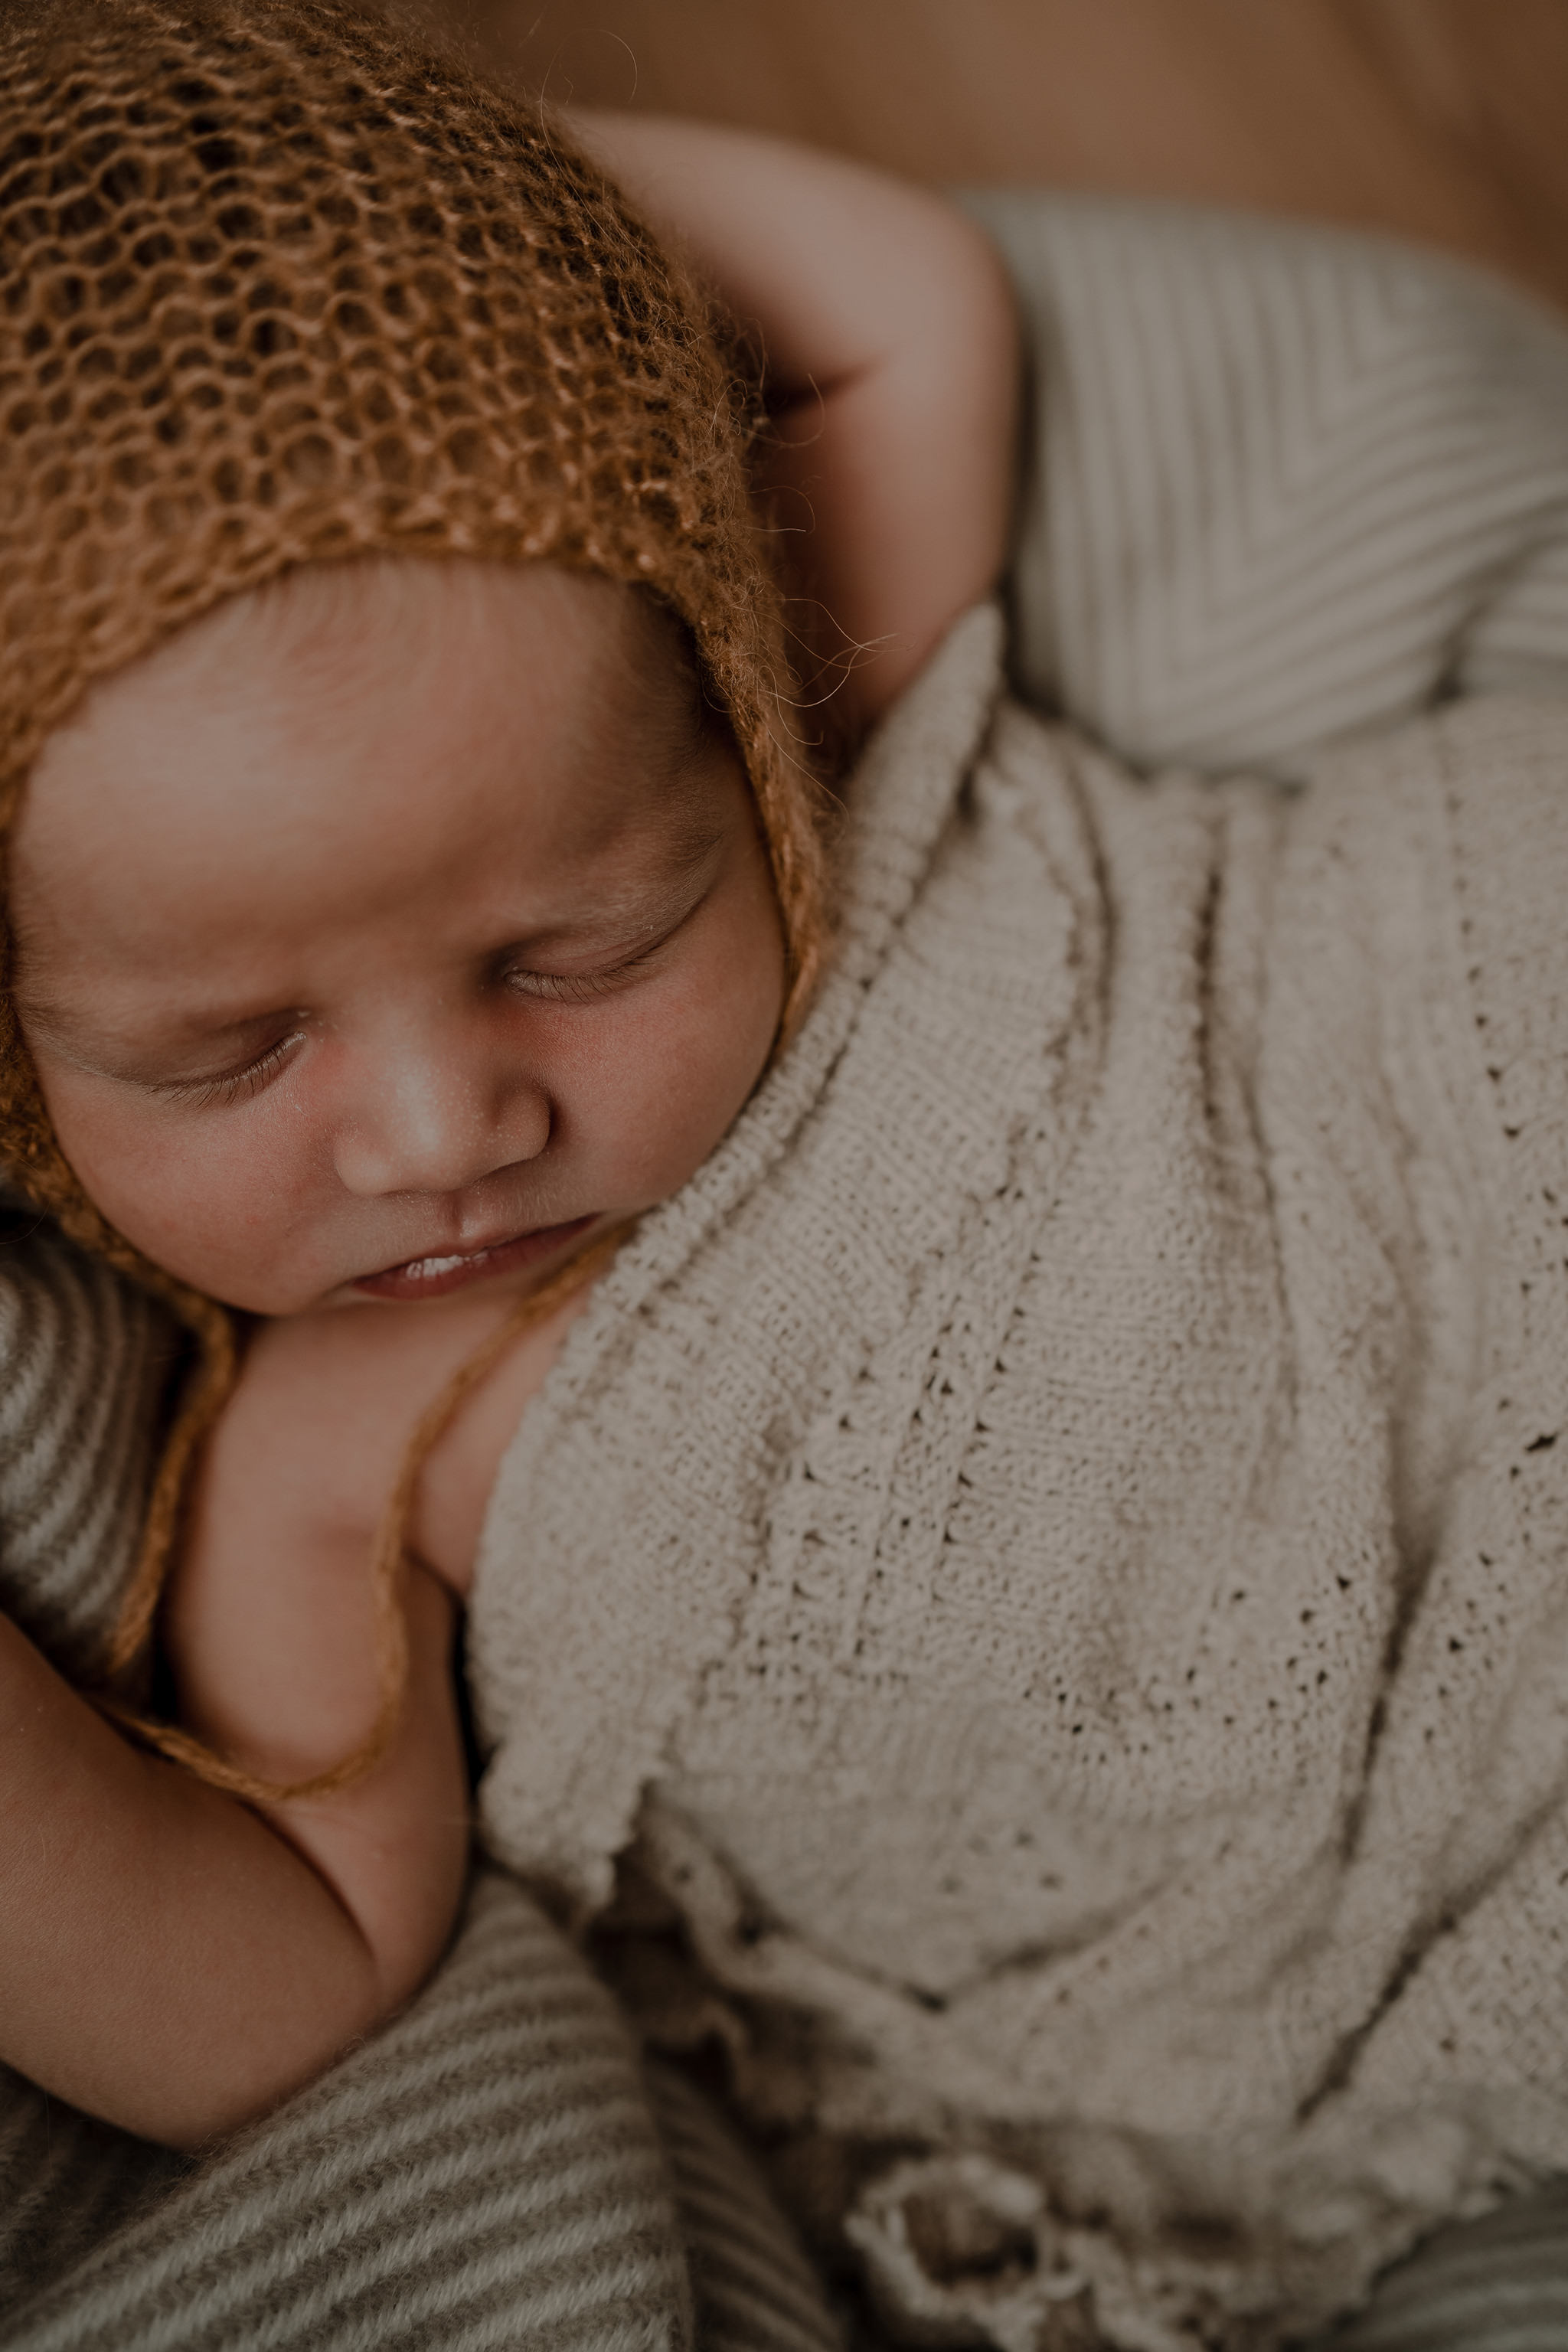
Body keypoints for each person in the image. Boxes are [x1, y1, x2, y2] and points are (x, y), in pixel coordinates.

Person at [5, 5, 1568, 2347]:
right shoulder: (333, 1450)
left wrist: (377, 227)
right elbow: (278, 1981)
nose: (448, 1126)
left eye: (579, 944)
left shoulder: (817, 764)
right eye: (235, 1050)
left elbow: (907, 297)